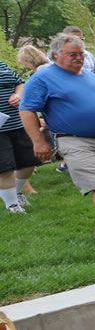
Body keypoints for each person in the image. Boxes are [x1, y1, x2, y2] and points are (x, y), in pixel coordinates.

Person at [18, 32, 95, 242]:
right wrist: (38, 141)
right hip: (73, 139)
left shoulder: (90, 76)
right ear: (56, 54)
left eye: (81, 54)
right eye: (73, 54)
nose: (79, 58)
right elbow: (26, 110)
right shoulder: (42, 78)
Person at [0, 59, 37, 214]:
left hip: (17, 122)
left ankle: (17, 192)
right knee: (5, 167)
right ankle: (12, 205)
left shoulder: (2, 65)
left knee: (29, 161)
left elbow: (19, 83)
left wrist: (17, 94)